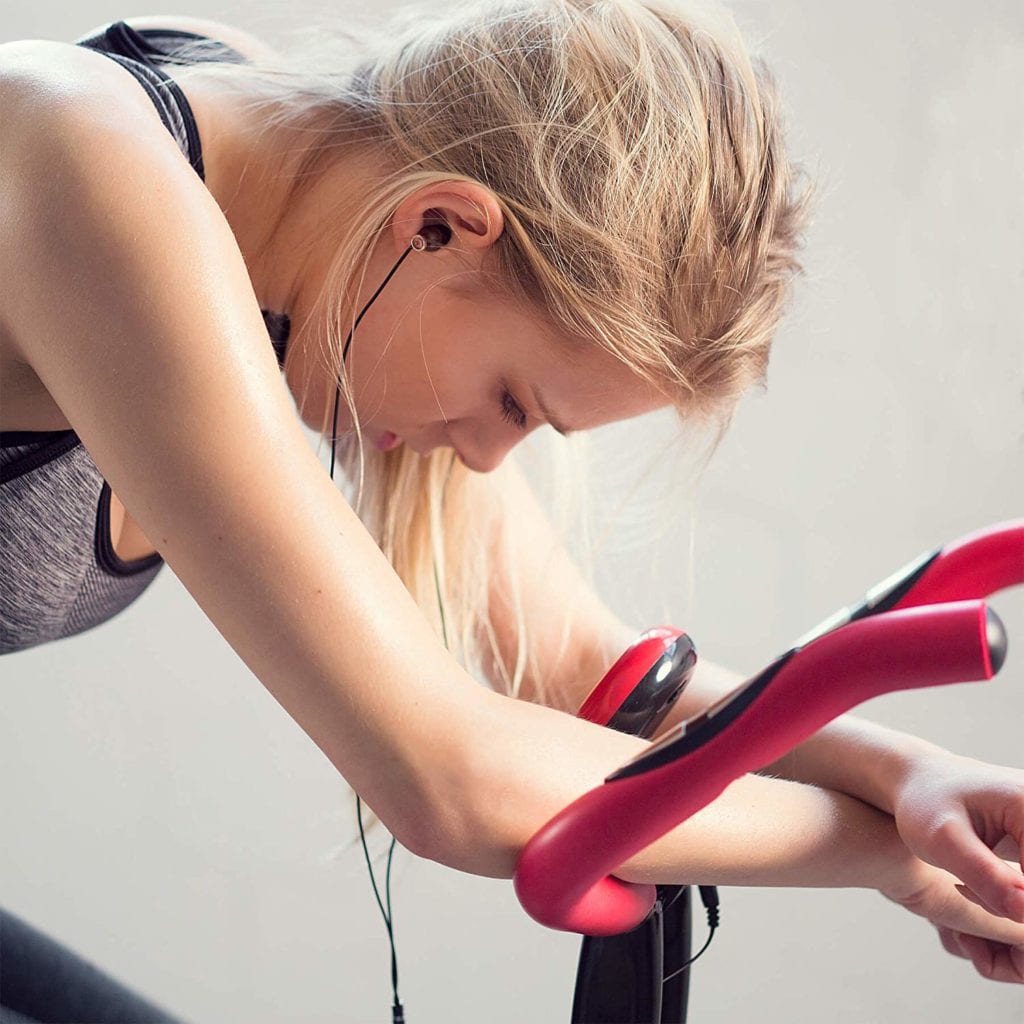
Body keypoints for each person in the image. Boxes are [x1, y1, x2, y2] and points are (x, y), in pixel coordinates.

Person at [0, 1, 1021, 1019]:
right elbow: (446, 779)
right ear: (440, 223)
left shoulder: (293, 172)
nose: (489, 457)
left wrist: (913, 777)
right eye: (509, 401)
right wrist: (881, 852)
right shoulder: (90, 159)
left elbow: (584, 670)